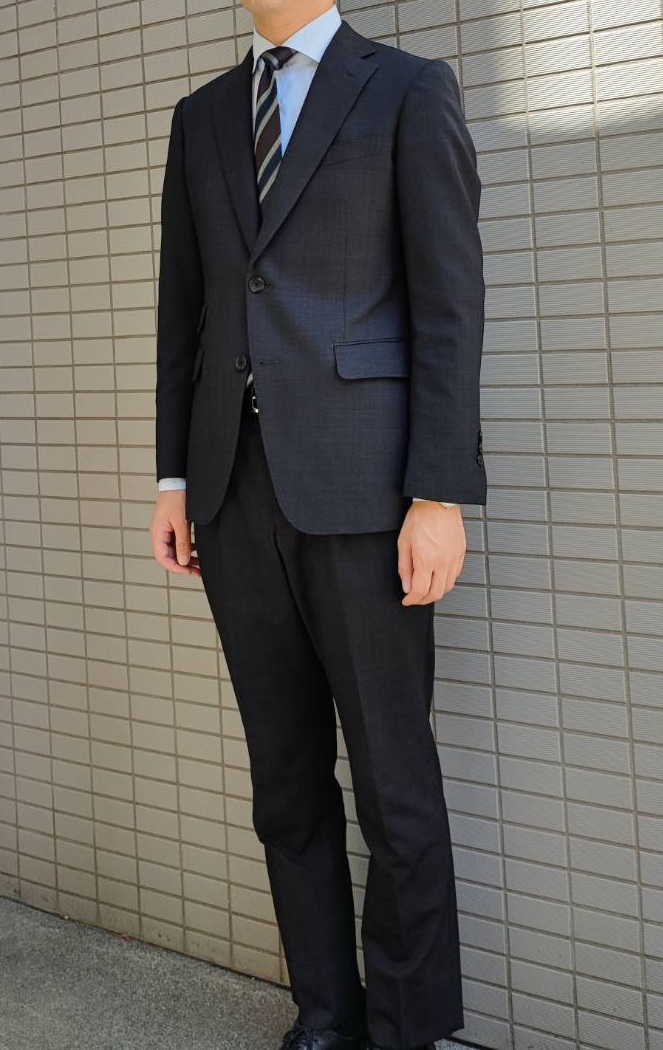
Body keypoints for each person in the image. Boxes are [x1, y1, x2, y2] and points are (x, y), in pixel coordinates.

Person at [148, 2, 486, 1048]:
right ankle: (326, 1016)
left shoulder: (407, 90)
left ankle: (404, 1029)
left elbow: (448, 302)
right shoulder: (204, 115)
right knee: (285, 782)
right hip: (230, 489)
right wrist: (172, 477)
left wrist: (438, 493)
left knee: (394, 784)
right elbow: (184, 307)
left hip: (366, 490)